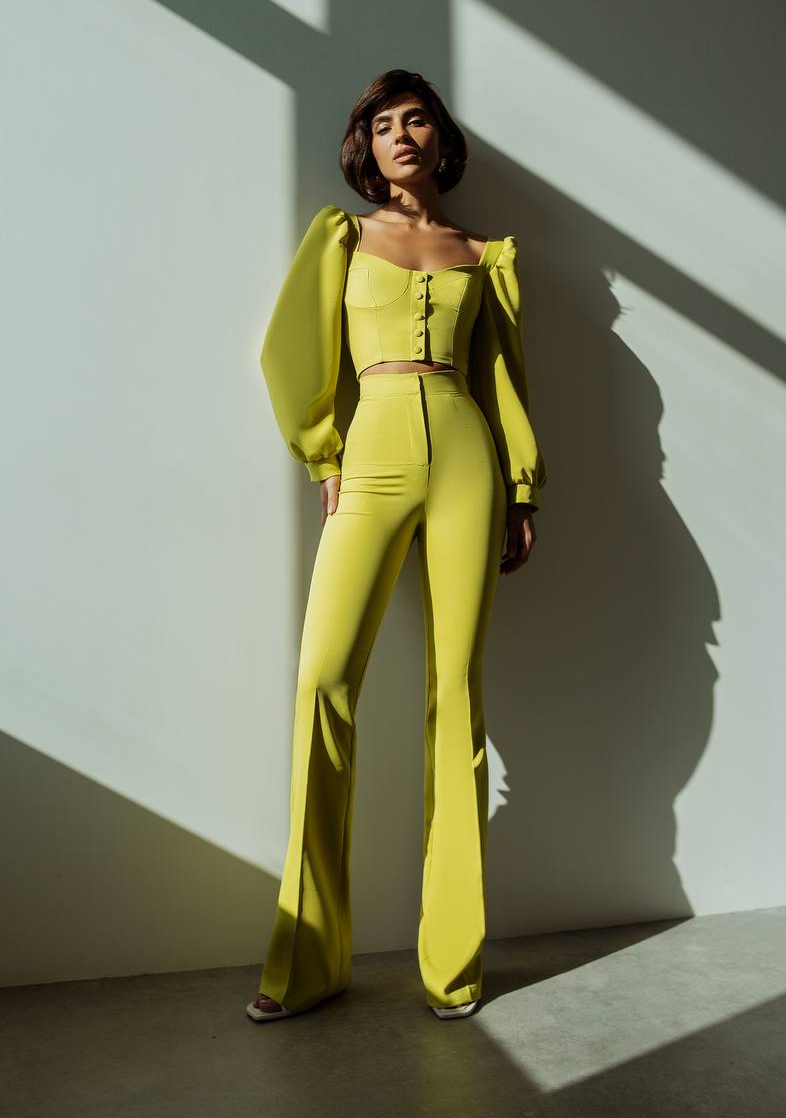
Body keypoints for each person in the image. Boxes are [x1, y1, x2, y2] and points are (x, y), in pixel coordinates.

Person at [246, 68, 547, 1023]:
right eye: (384, 124)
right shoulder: (344, 235)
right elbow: (288, 351)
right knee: (321, 679)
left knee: (455, 695)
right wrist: (321, 452)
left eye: (417, 119)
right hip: (369, 451)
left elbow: (502, 379)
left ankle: (451, 963)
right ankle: (308, 964)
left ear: (440, 139)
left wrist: (521, 487)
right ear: (365, 147)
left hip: (466, 458)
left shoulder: (480, 253)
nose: (402, 134)